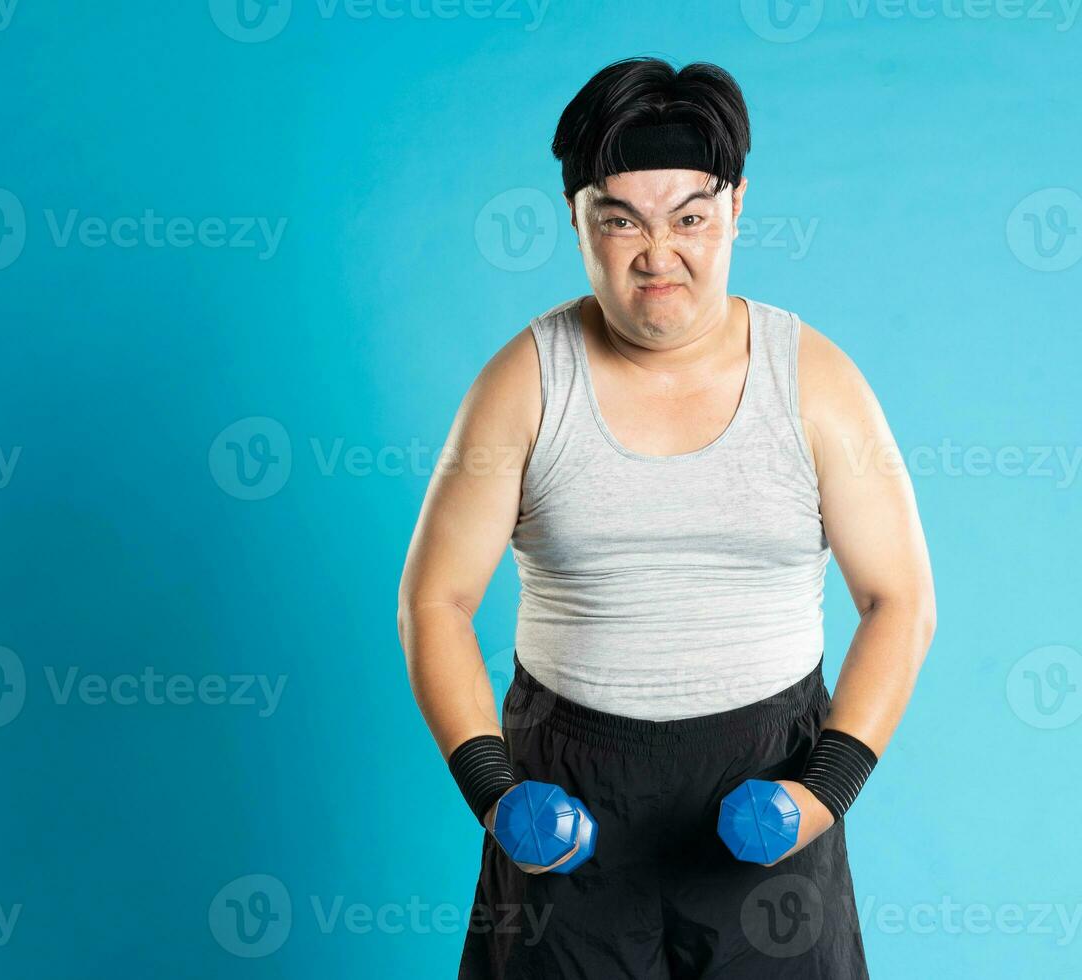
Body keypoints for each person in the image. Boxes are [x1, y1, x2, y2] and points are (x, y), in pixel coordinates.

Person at [398, 56, 935, 979]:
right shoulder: (523, 385)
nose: (659, 253)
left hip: (771, 778)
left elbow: (901, 600)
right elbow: (435, 601)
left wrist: (823, 792)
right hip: (569, 791)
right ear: (577, 221)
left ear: (736, 211)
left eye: (690, 217)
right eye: (622, 220)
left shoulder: (815, 381)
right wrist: (493, 792)